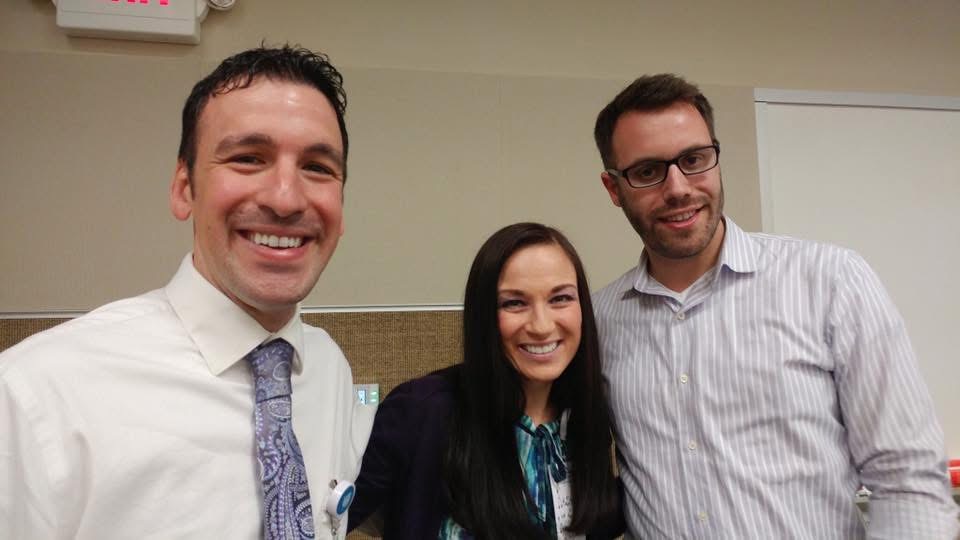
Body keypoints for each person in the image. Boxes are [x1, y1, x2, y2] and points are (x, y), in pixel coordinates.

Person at [0, 45, 372, 539]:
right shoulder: (36, 397)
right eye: (247, 158)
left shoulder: (328, 370)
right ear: (183, 189)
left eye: (318, 167)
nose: (286, 198)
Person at [591, 73, 959, 539]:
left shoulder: (830, 281)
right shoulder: (600, 322)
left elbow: (908, 482)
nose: (679, 187)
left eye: (694, 160)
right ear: (613, 188)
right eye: (647, 171)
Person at [347, 223, 623, 539]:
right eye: (514, 303)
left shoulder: (586, 416)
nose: (542, 326)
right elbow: (325, 519)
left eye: (560, 298)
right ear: (484, 315)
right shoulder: (424, 410)